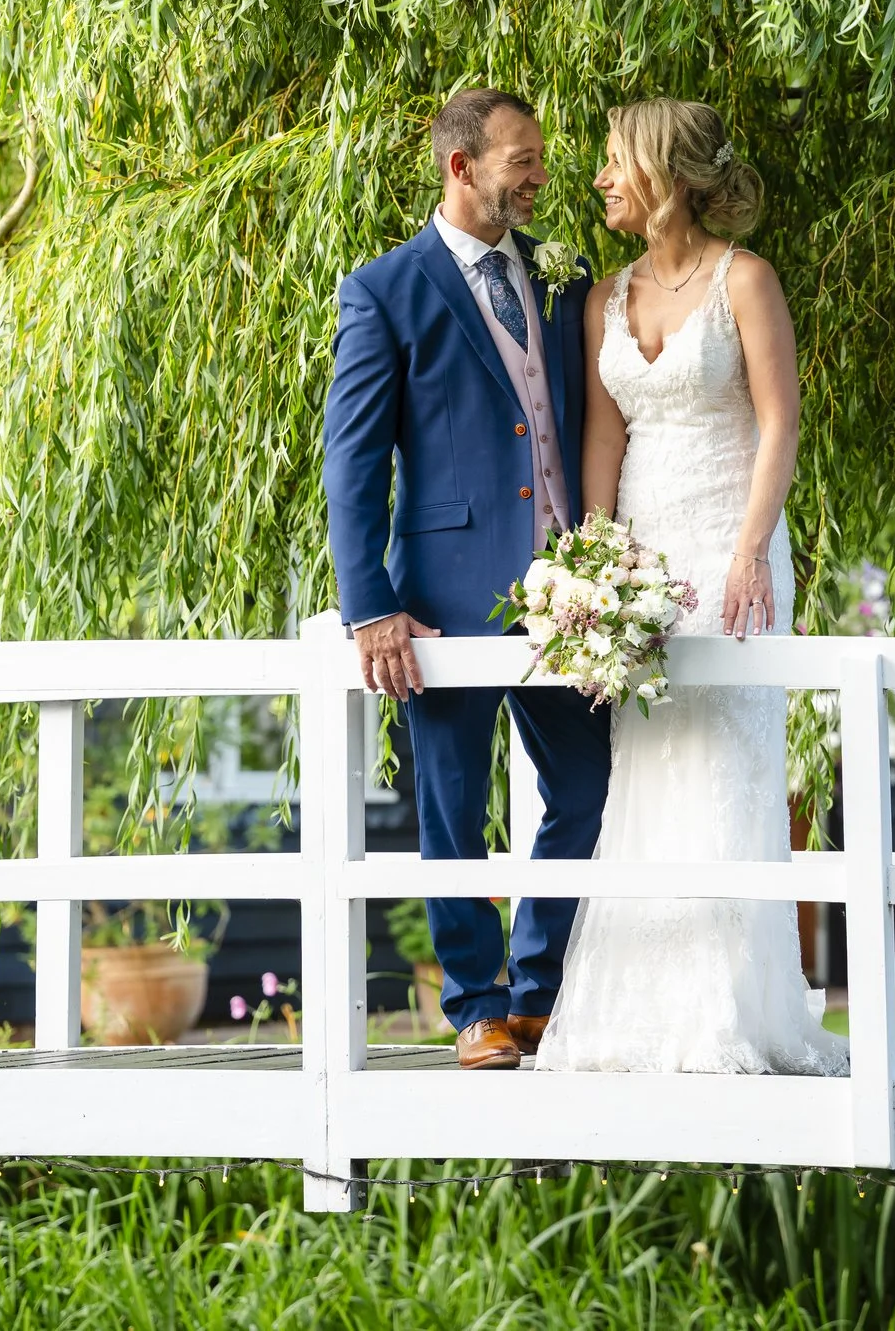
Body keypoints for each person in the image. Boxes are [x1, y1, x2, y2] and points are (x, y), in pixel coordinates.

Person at [533, 97, 847, 1075]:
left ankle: (729, 1010)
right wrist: (596, 563)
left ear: (666, 171)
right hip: (644, 552)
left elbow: (779, 423)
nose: (599, 180)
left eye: (614, 162)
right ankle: (640, 1009)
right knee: (649, 763)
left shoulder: (744, 281)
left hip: (728, 543)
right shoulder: (602, 298)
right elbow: (601, 436)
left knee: (722, 763)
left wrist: (752, 548)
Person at [321, 87, 611, 1071]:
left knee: (586, 784)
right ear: (460, 166)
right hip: (441, 599)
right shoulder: (385, 290)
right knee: (450, 807)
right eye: (520, 160)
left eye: (537, 158)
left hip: (569, 593)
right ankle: (476, 1003)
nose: (537, 175)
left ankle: (537, 987)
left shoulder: (561, 275)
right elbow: (351, 463)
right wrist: (371, 606)